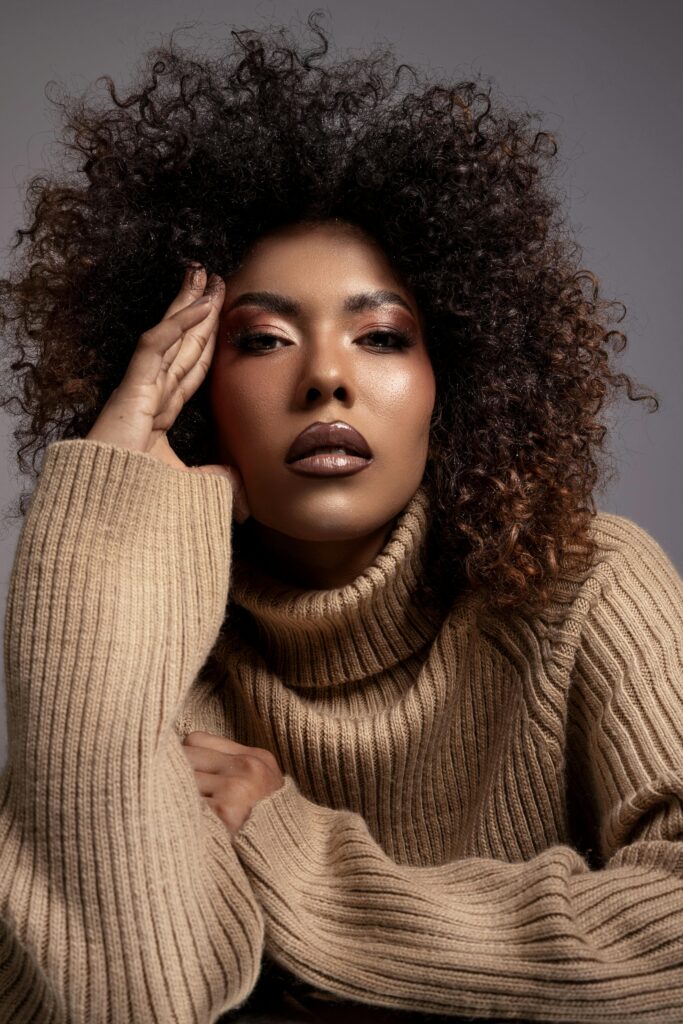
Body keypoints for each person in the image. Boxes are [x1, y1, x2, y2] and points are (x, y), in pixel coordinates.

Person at [0, 12, 681, 1024]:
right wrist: (110, 509)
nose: (325, 377)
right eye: (266, 338)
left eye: (380, 335)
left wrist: (294, 851)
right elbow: (123, 994)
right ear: (195, 394)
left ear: (456, 375)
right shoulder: (162, 644)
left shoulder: (589, 589)